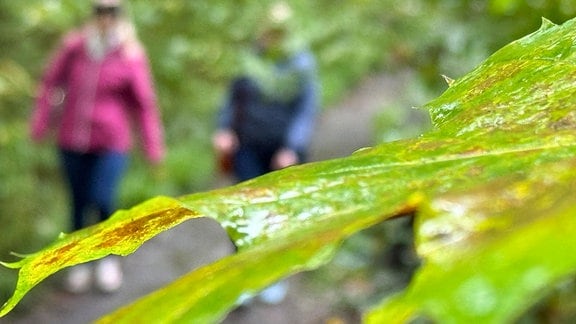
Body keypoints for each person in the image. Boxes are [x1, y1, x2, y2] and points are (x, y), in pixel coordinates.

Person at [30, 0, 165, 294]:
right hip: (72, 141)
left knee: (102, 199)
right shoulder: (75, 47)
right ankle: (78, 259)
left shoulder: (130, 54)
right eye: (100, 11)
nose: (105, 18)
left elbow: (144, 105)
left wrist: (153, 145)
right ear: (93, 14)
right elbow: (51, 83)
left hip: (111, 143)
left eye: (111, 12)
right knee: (77, 204)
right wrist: (40, 124)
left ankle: (107, 257)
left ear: (119, 16)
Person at [212, 5, 319, 304]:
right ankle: (242, 275)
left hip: (281, 150)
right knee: (243, 208)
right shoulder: (249, 60)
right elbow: (231, 100)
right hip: (246, 144)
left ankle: (272, 275)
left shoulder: (301, 63)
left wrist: (292, 147)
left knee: (275, 211)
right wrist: (223, 129)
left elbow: (306, 110)